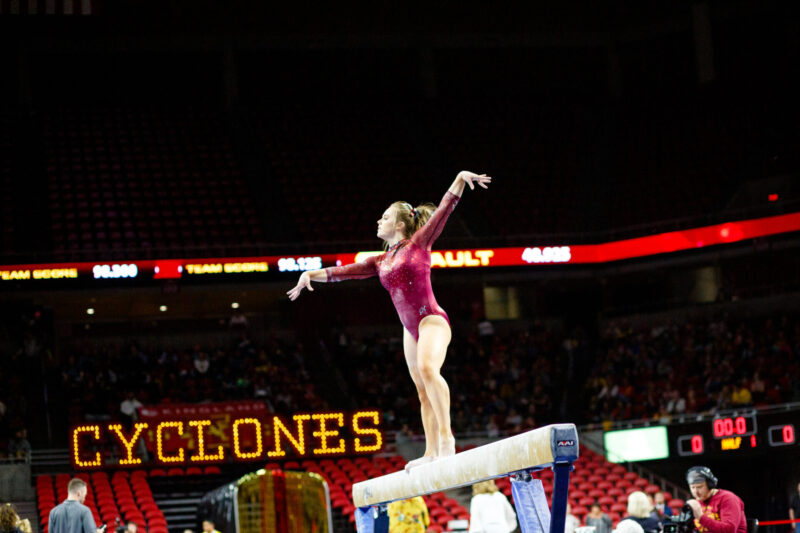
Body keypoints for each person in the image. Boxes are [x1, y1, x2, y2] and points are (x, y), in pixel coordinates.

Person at [288, 171, 491, 467]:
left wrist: (460, 178)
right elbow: (344, 272)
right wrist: (311, 275)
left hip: (431, 320)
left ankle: (447, 440)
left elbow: (445, 209)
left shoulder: (419, 244)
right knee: (422, 390)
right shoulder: (379, 261)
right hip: (410, 330)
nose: (378, 222)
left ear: (399, 224)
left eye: (384, 218)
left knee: (428, 370)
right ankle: (431, 451)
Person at [685, 466, 746, 533]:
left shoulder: (728, 499)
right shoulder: (697, 502)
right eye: (692, 487)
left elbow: (729, 530)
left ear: (710, 485)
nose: (696, 492)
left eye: (699, 487)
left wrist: (700, 517)